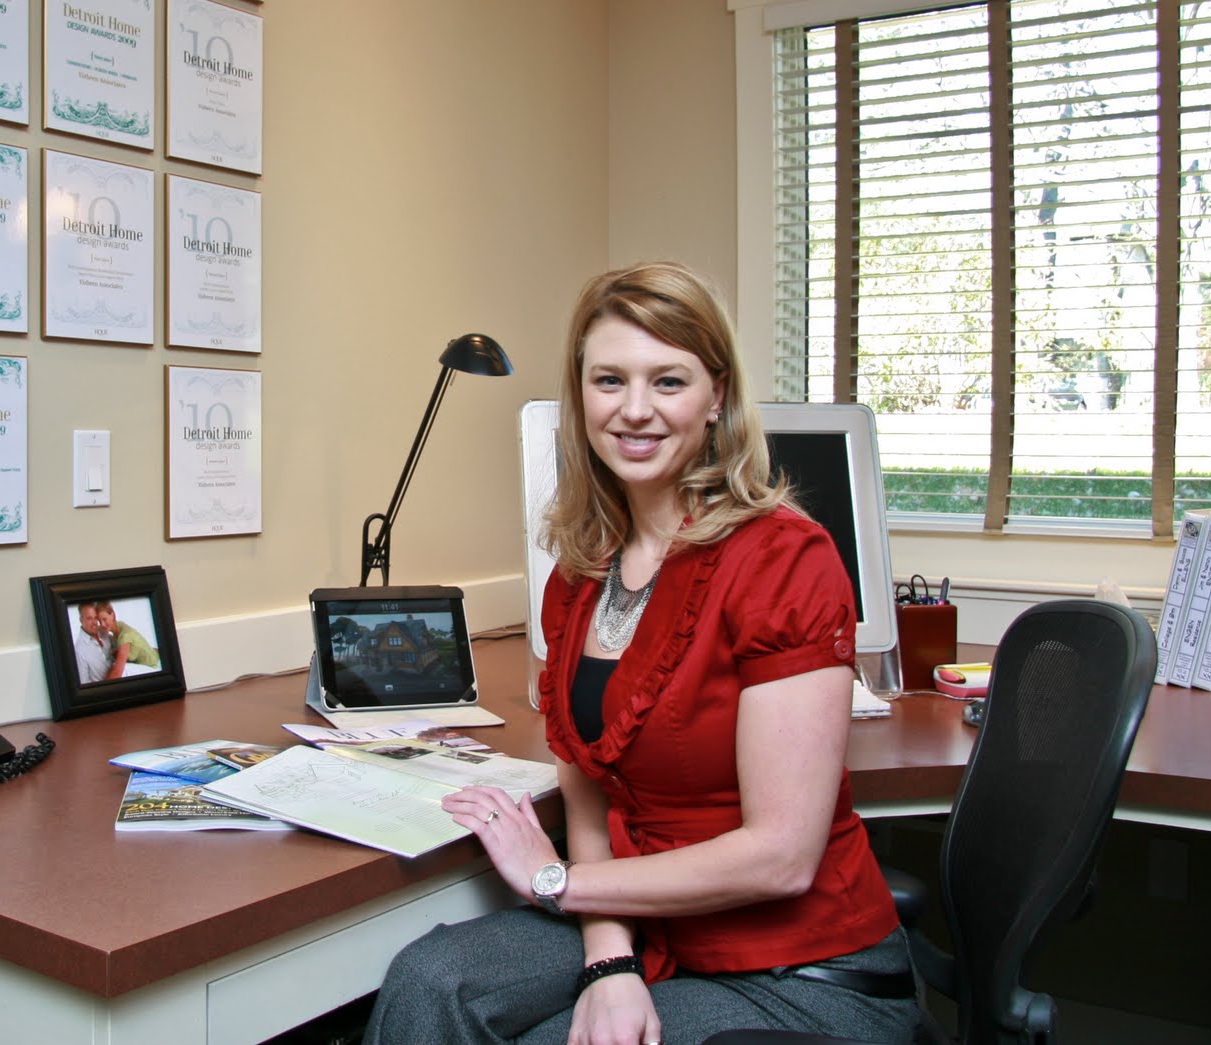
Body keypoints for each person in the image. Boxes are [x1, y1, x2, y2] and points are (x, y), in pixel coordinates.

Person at [364, 262, 916, 1044]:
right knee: (430, 981)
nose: (633, 409)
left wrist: (555, 880)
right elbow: (592, 791)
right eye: (609, 380)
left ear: (717, 395)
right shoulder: (579, 574)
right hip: (644, 926)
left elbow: (781, 857)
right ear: (581, 395)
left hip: (796, 971)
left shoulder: (784, 560)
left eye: (668, 381)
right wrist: (607, 959)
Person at [96, 601, 161, 670]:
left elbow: (119, 668)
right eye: (100, 621)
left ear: (113, 615)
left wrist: (115, 653)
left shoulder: (124, 636)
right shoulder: (119, 625)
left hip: (152, 665)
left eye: (104, 619)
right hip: (153, 655)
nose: (102, 624)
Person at [73, 602, 126, 684]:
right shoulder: (79, 650)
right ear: (81, 620)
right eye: (89, 618)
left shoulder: (104, 631)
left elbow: (120, 648)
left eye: (96, 618)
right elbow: (84, 685)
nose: (94, 623)